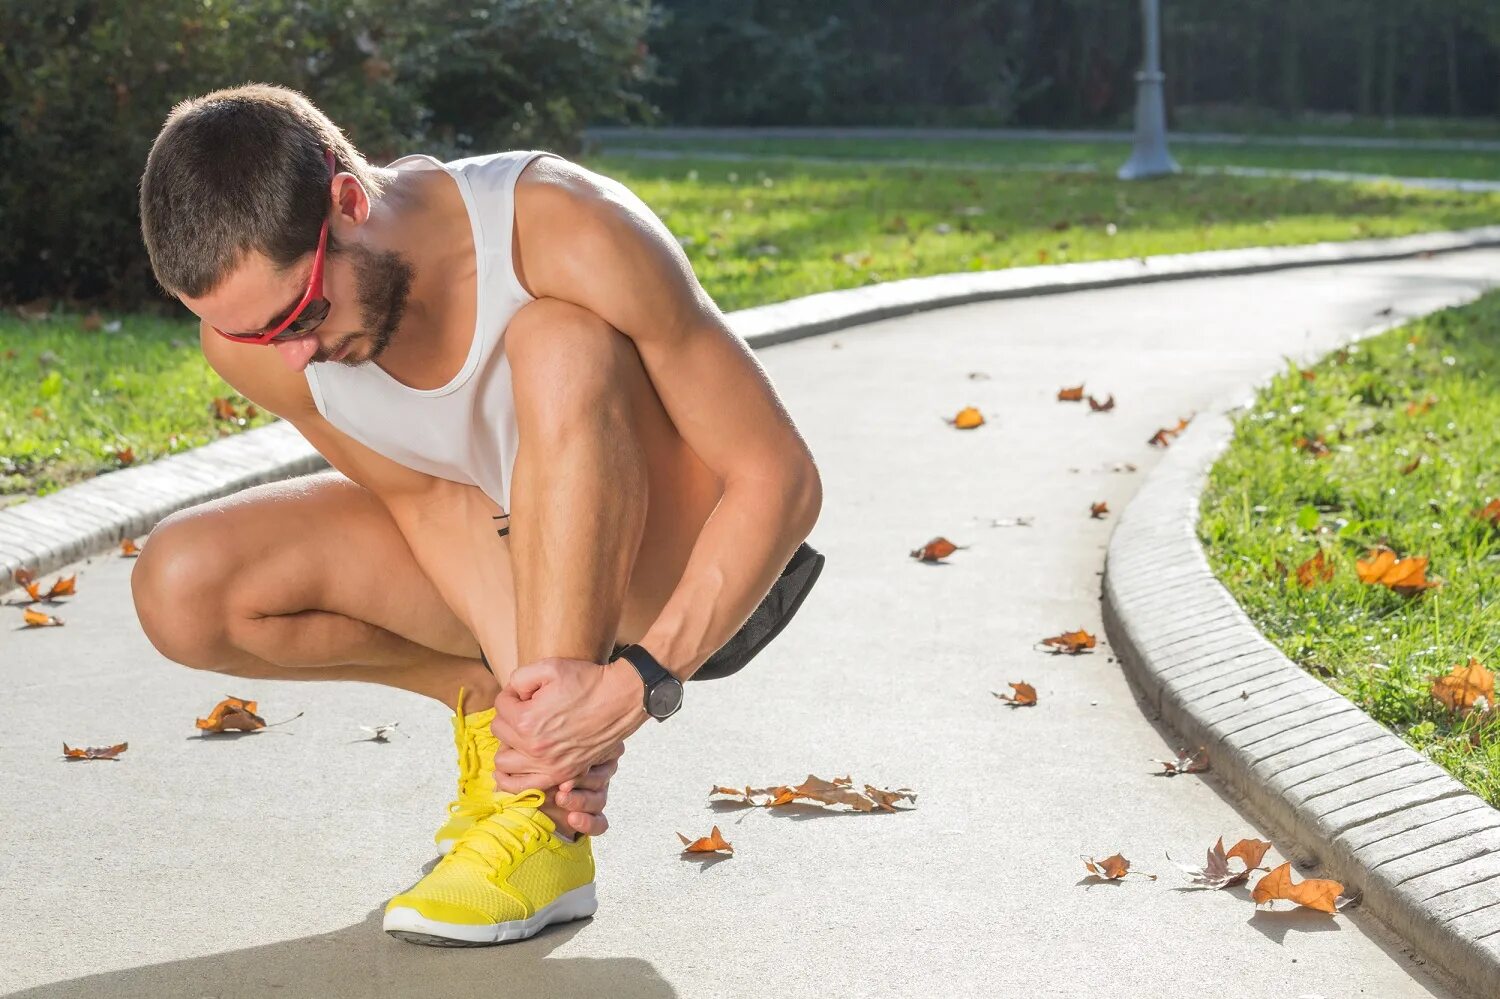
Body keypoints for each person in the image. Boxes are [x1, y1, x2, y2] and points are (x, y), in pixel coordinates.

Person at [132, 83, 825, 947]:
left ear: (348, 201)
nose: (292, 354)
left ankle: (544, 827)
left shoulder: (560, 225)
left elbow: (780, 478)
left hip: (688, 572)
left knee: (556, 342)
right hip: (504, 550)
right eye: (255, 337)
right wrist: (544, 714)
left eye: (300, 315)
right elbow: (429, 500)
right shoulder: (265, 345)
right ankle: (516, 736)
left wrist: (632, 685)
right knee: (183, 582)